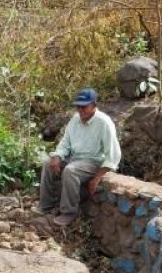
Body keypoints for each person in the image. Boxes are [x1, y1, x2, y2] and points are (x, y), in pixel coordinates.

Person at [34, 88, 121, 226]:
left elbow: (113, 154)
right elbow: (65, 143)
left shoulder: (104, 123)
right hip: (74, 158)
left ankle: (69, 212)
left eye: (84, 107)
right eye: (78, 106)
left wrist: (98, 177)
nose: (80, 110)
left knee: (71, 170)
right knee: (47, 162)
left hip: (93, 161)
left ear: (94, 105)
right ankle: (46, 205)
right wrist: (57, 156)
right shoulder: (75, 119)